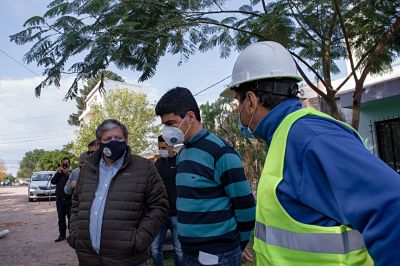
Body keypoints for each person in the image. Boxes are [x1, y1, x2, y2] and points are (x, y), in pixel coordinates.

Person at [220, 41, 400, 266]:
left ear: (251, 101)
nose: (239, 111)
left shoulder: (308, 137)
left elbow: (393, 208)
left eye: (238, 102)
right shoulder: (287, 137)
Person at [155, 87, 256, 265]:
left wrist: (236, 245)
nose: (166, 130)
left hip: (219, 256)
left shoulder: (220, 151)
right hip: (189, 252)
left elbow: (246, 206)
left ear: (190, 117)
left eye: (170, 123)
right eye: (164, 125)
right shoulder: (183, 153)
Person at [67, 119, 169, 265]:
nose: (113, 142)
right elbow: (77, 203)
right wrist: (76, 236)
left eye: (118, 138)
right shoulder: (88, 169)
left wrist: (138, 240)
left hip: (128, 259)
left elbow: (160, 205)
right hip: (89, 258)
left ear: (126, 140)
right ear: (99, 143)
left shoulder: (144, 167)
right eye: (107, 139)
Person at [151, 135, 184, 266]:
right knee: (154, 248)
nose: (161, 150)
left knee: (179, 250)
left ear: (171, 146)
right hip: (160, 214)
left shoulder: (180, 161)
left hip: (176, 213)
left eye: (163, 147)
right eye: (159, 148)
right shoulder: (157, 164)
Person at [51, 157, 72, 242]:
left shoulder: (71, 174)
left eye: (66, 164)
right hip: (60, 200)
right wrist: (58, 172)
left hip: (69, 200)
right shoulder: (58, 174)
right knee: (61, 219)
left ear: (69, 164)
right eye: (63, 164)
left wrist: (67, 173)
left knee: (71, 218)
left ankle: (72, 235)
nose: (65, 166)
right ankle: (62, 235)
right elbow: (53, 182)